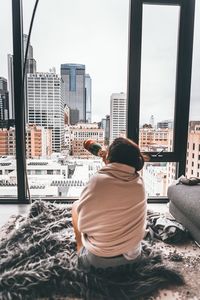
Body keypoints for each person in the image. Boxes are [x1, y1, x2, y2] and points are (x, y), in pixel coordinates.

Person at [72, 137, 147, 270]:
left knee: (76, 206)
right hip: (133, 258)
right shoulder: (139, 183)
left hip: (97, 262)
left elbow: (83, 226)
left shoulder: (96, 181)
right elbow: (117, 176)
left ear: (109, 158)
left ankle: (79, 248)